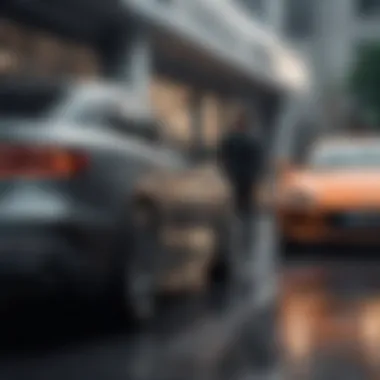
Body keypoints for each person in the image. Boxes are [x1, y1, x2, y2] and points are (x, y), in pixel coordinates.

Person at [217, 110, 263, 254]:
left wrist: (227, 171)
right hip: (245, 179)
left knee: (238, 208)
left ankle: (236, 237)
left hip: (236, 178)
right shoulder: (250, 140)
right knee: (246, 209)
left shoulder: (231, 140)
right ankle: (245, 238)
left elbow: (223, 157)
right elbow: (257, 161)